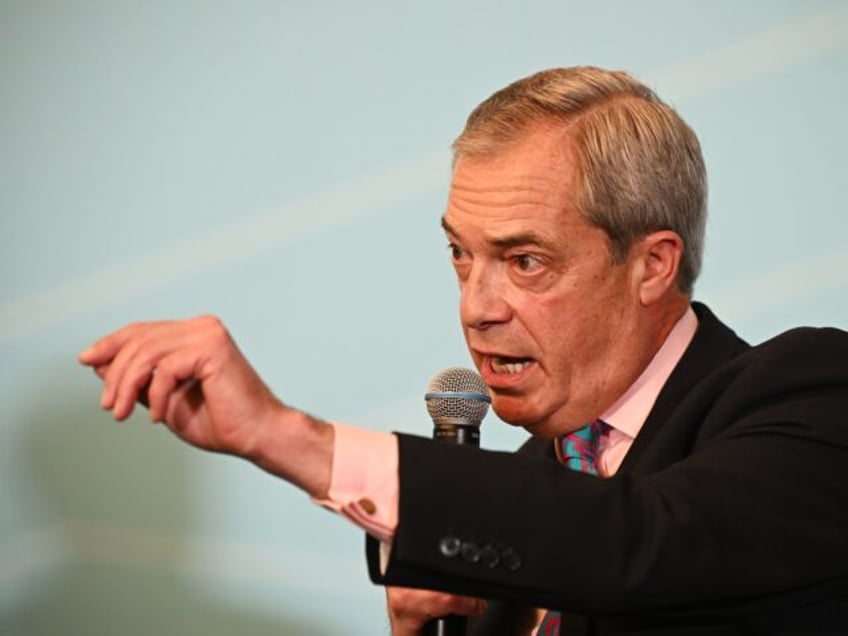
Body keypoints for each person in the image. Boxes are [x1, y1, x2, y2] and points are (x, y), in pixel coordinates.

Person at [79, 67, 848, 634]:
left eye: (525, 262)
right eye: (460, 255)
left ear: (652, 265)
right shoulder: (507, 503)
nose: (476, 308)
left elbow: (640, 543)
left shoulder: (805, 394)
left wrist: (290, 438)